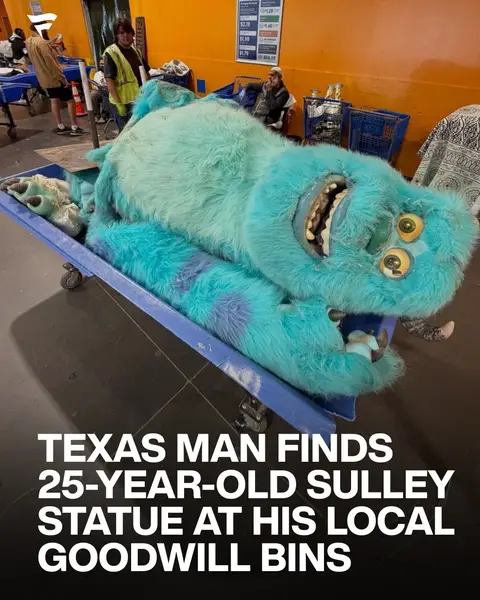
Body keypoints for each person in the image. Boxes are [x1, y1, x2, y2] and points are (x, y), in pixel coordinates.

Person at [26, 23, 86, 136]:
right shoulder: (42, 43)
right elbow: (51, 63)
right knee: (70, 100)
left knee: (54, 99)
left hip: (43, 77)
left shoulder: (29, 41)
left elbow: (42, 49)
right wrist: (62, 78)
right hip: (54, 77)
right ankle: (74, 126)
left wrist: (52, 42)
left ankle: (60, 126)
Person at [103, 17, 150, 131]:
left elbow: (146, 74)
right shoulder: (112, 53)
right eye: (121, 33)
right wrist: (119, 103)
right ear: (117, 35)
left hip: (137, 100)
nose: (126, 35)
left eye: (128, 32)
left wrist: (149, 93)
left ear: (132, 34)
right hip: (122, 102)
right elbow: (109, 80)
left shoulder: (136, 51)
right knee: (126, 134)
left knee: (140, 131)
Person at [91, 57, 108, 124]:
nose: (102, 65)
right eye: (101, 64)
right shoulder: (97, 74)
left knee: (105, 95)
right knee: (93, 95)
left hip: (108, 90)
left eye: (104, 63)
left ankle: (104, 116)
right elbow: (95, 85)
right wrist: (96, 87)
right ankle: (96, 115)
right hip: (99, 90)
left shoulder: (111, 72)